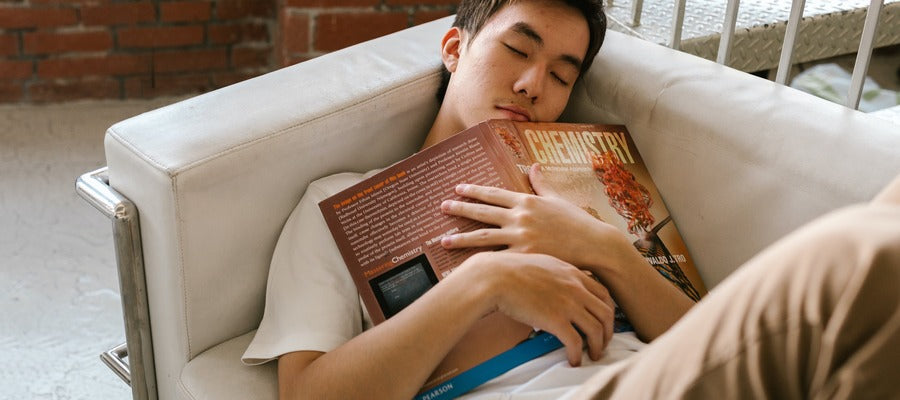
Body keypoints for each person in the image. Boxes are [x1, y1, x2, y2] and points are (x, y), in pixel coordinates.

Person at [242, 0, 900, 398]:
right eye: (517, 50)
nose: (533, 85)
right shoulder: (338, 203)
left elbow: (700, 344)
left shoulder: (578, 180)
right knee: (870, 257)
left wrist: (607, 249)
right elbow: (311, 397)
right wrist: (489, 281)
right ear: (454, 47)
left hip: (659, 376)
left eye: (562, 75)